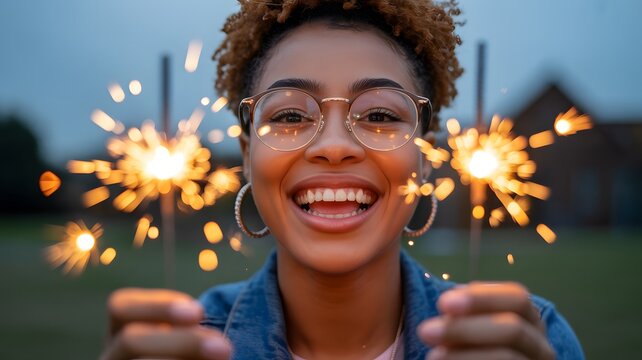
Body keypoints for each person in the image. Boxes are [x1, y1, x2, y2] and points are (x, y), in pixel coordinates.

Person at [100, 1, 584, 359]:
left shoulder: (532, 340)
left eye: (378, 113)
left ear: (426, 157)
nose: (333, 145)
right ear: (248, 156)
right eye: (289, 114)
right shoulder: (177, 346)